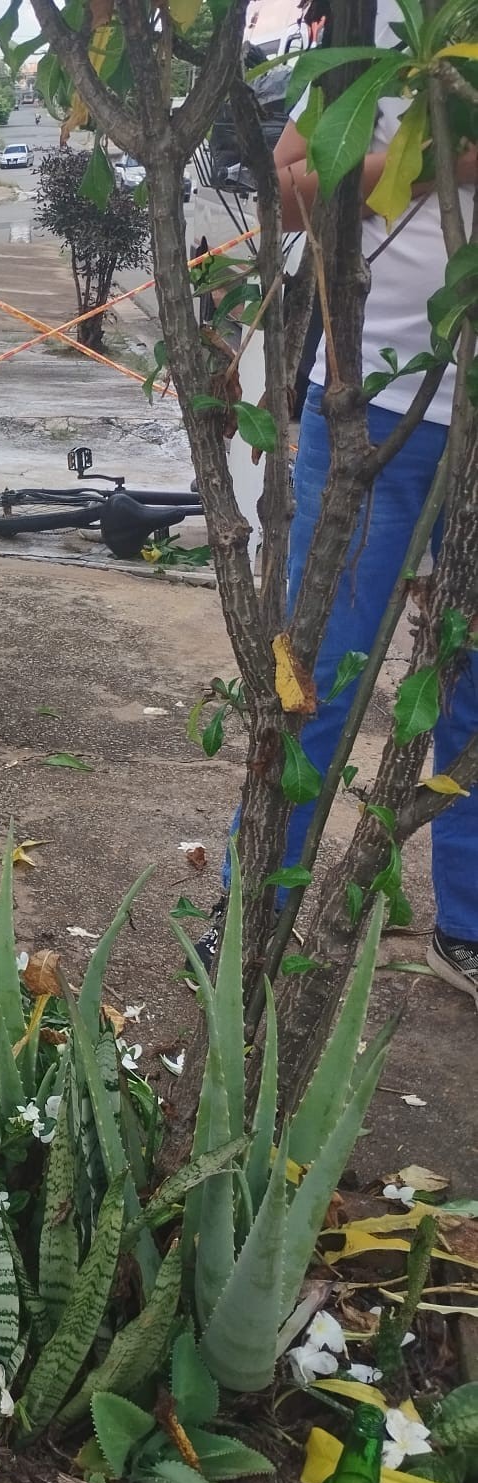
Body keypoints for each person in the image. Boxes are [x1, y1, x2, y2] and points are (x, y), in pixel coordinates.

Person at [209, 0, 478, 1002]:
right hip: (374, 403)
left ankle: (472, 924)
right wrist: (432, 161)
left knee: (476, 690)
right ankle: (251, 922)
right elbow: (288, 190)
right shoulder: (375, 35)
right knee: (311, 673)